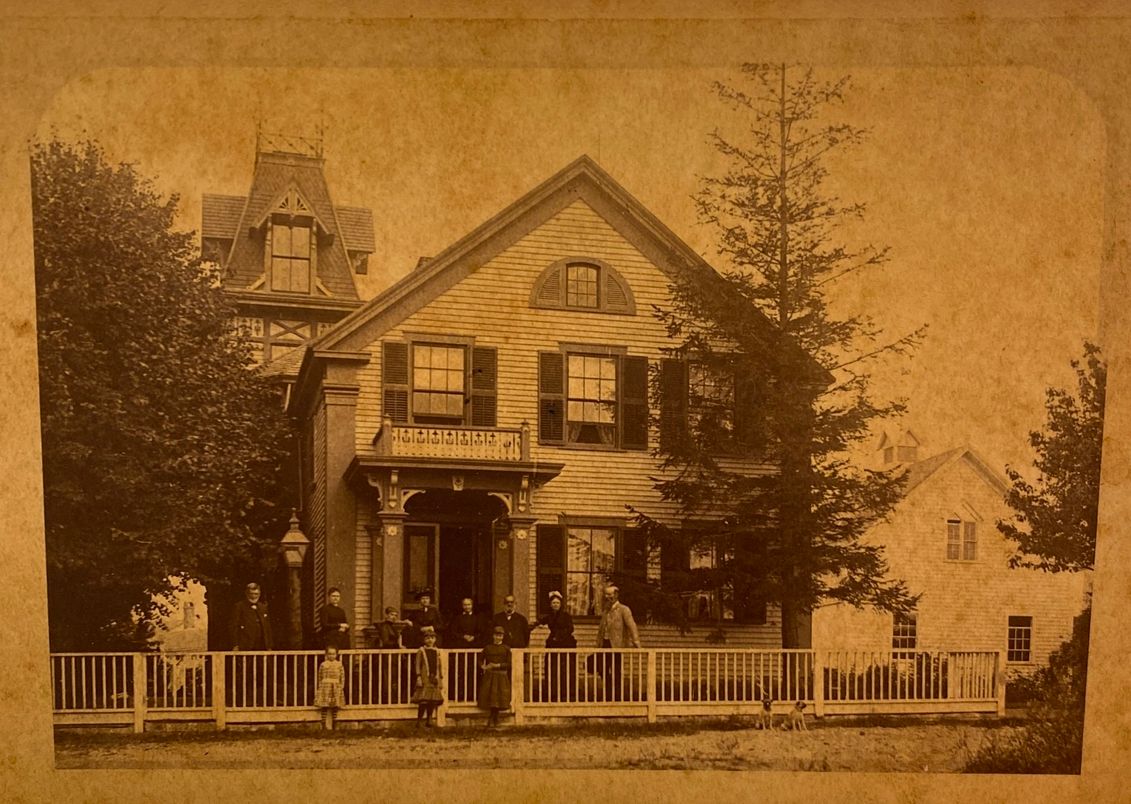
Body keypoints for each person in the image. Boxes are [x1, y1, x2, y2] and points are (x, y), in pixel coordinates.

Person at [229, 582, 274, 706]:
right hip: (245, 646)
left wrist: (269, 645)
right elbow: (233, 626)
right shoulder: (239, 606)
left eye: (257, 593)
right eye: (252, 593)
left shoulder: (262, 607)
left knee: (265, 674)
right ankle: (241, 703)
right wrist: (235, 644)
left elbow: (267, 627)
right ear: (247, 593)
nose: (254, 596)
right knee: (244, 675)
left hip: (262, 646)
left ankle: (268, 702)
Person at [594, 584, 640, 701]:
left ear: (616, 595)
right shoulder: (606, 610)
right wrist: (598, 643)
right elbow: (602, 628)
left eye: (610, 594)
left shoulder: (624, 609)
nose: (607, 597)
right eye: (606, 594)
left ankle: (616, 697)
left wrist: (636, 640)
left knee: (615, 671)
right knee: (601, 668)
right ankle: (609, 692)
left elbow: (631, 625)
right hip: (604, 644)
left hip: (616, 645)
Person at [531, 590, 576, 701]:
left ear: (560, 605)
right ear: (550, 605)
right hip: (553, 644)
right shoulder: (550, 616)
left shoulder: (566, 616)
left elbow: (570, 629)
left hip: (565, 644)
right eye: (553, 603)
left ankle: (567, 693)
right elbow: (540, 621)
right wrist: (533, 625)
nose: (555, 605)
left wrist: (559, 636)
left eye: (557, 603)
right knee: (552, 668)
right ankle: (553, 693)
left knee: (565, 669)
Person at [448, 597, 485, 701]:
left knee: (473, 672)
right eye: (465, 605)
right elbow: (453, 632)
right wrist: (463, 636)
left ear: (472, 605)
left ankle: (473, 696)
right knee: (460, 672)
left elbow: (482, 632)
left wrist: (474, 637)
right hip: (461, 648)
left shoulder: (477, 618)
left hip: (473, 648)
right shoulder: (457, 618)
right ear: (462, 606)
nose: (467, 607)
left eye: (469, 605)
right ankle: (459, 695)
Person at [375, 606, 412, 704]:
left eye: (395, 615)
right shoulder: (384, 627)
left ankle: (393, 699)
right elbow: (386, 642)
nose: (394, 617)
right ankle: (387, 700)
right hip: (388, 655)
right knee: (388, 678)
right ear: (386, 615)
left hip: (394, 656)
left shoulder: (392, 627)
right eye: (391, 615)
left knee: (394, 677)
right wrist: (398, 646)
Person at [477, 626, 512, 727]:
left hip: (501, 676)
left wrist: (497, 665)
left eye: (500, 636)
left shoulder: (506, 648)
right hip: (490, 676)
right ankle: (492, 717)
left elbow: (509, 664)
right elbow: (480, 659)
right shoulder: (488, 648)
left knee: (499, 696)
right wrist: (483, 666)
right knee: (491, 696)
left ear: (503, 637)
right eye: (496, 635)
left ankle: (496, 717)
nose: (498, 638)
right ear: (493, 636)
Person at [412, 626, 444, 727]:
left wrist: (440, 678)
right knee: (424, 700)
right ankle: (419, 720)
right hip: (425, 677)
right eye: (427, 638)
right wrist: (418, 677)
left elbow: (439, 666)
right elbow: (417, 664)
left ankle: (429, 718)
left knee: (433, 700)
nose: (430, 640)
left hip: (434, 678)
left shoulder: (437, 651)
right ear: (424, 640)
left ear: (435, 639)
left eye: (432, 638)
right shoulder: (421, 650)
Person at [314, 645, 345, 730]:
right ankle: (323, 723)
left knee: (335, 705)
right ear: (326, 655)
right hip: (326, 686)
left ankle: (335, 722)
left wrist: (341, 685)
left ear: (336, 654)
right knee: (325, 705)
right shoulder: (323, 664)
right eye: (330, 654)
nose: (332, 656)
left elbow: (342, 676)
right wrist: (320, 686)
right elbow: (320, 676)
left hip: (335, 686)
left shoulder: (339, 664)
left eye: (333, 654)